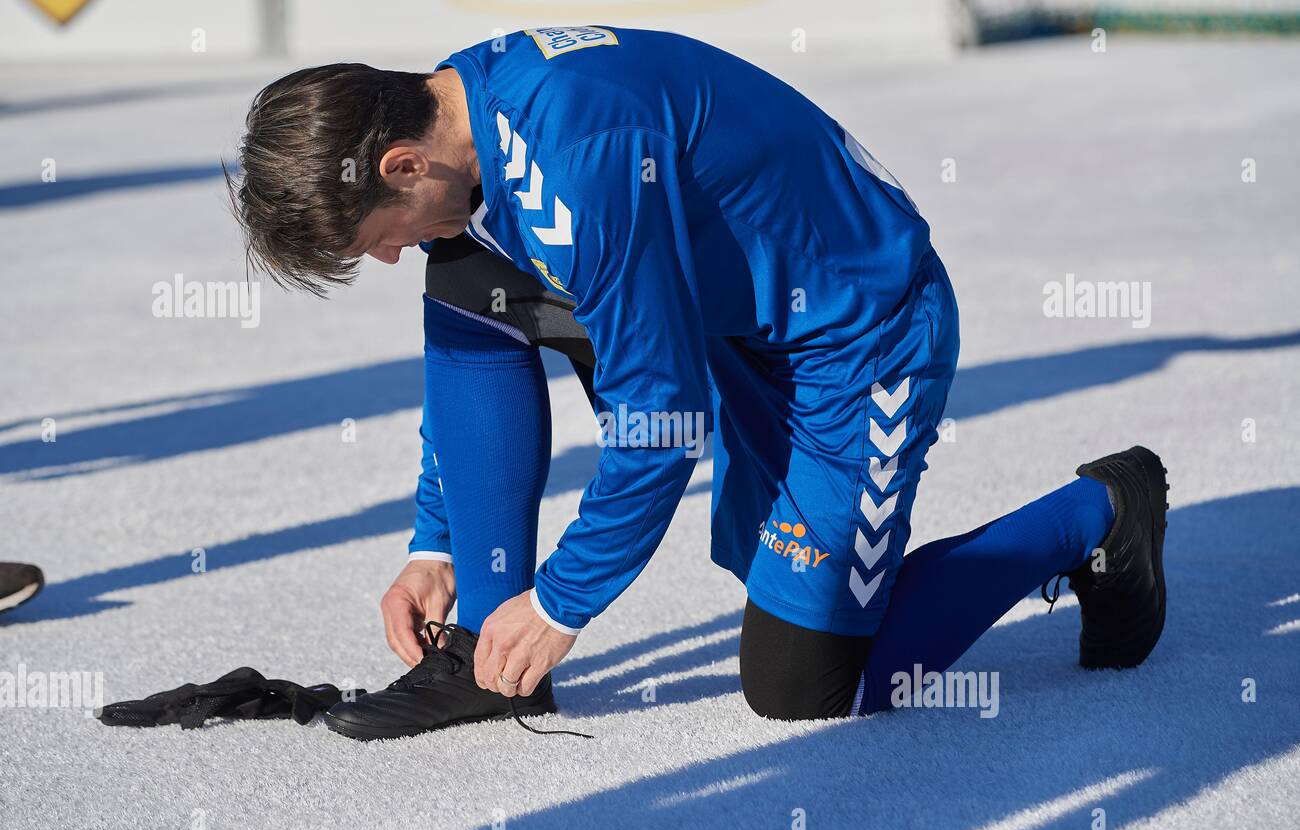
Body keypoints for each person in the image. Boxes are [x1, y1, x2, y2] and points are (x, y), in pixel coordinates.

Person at [226, 26, 1168, 740]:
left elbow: (661, 421)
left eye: (374, 238)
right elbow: (475, 323)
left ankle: (1098, 514)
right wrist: (438, 543)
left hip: (859, 338)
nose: (387, 259)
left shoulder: (579, 161)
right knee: (467, 280)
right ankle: (482, 645)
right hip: (736, 327)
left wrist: (561, 604)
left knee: (809, 685)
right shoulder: (454, 105)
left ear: (401, 163)